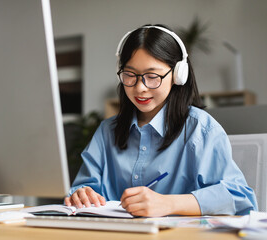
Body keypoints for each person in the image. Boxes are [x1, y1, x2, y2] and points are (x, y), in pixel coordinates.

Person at [64, 24, 258, 217]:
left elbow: (239, 197)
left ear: (178, 75)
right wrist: (81, 194)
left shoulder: (200, 129)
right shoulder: (107, 131)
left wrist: (169, 203)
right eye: (130, 75)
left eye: (152, 76)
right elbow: (83, 189)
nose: (140, 87)